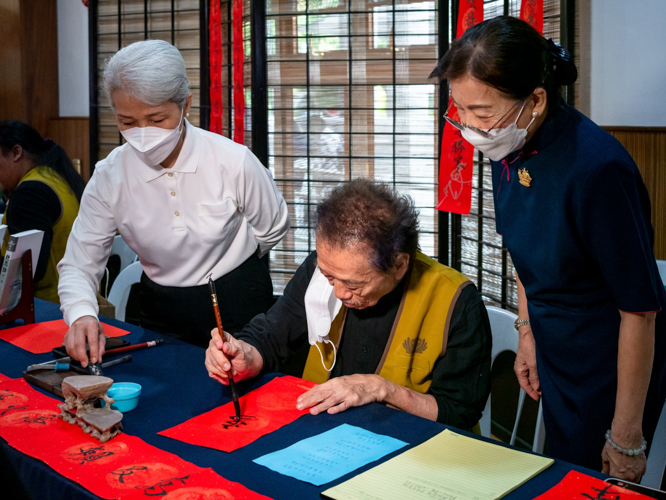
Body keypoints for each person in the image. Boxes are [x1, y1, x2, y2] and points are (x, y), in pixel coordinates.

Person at [430, 16, 666, 480]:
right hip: (554, 345)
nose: (469, 127)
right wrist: (526, 331)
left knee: (596, 481)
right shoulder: (508, 148)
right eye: (459, 109)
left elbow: (640, 310)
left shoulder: (597, 170)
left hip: (609, 359)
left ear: (535, 100)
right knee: (560, 474)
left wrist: (626, 434)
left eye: (481, 112)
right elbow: (523, 250)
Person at [58, 40, 290, 365]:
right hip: (161, 306)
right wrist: (81, 313)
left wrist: (232, 260)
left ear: (186, 105)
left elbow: (273, 226)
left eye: (156, 119)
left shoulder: (232, 161)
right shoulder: (110, 176)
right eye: (127, 122)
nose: (142, 133)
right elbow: (80, 264)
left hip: (239, 300)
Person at [205, 180, 492, 429]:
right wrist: (245, 356)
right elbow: (271, 335)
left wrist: (382, 389)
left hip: (414, 450)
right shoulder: (323, 270)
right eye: (330, 276)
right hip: (325, 434)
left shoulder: (456, 301)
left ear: (399, 265)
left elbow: (459, 412)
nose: (339, 292)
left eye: (353, 284)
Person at [0, 121, 84, 304]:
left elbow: (26, 270)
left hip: (49, 309)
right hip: (77, 298)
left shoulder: (30, 194)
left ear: (16, 153)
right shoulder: (53, 177)